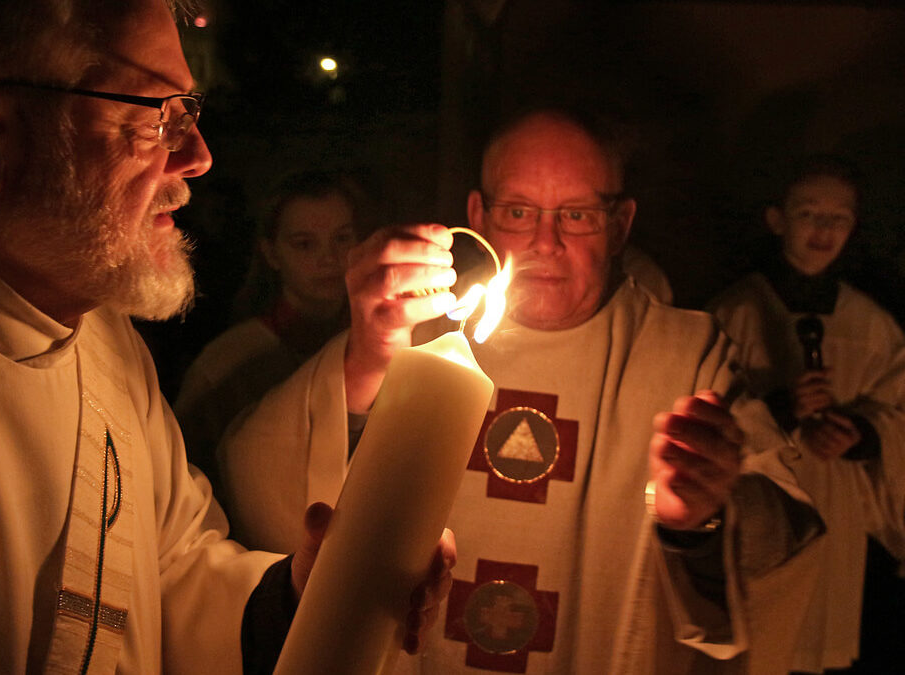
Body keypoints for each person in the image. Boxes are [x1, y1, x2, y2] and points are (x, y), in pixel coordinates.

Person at [0, 1, 453, 672]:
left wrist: (306, 589)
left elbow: (167, 572)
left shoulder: (94, 324)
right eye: (154, 116)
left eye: (189, 112)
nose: (198, 156)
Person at [220, 108, 826, 673]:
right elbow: (258, 477)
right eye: (519, 211)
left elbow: (789, 542)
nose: (545, 241)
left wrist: (702, 519)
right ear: (478, 216)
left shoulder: (684, 356)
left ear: (620, 225)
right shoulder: (409, 331)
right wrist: (362, 363)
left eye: (577, 214)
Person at [709, 156, 905, 673]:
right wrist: (781, 409)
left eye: (838, 218)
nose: (823, 230)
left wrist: (861, 434)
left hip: (837, 507)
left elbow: (897, 410)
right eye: (808, 214)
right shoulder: (736, 312)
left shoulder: (872, 324)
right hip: (764, 507)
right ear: (777, 219)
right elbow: (706, 410)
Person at [172, 170, 366, 499]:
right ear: (272, 252)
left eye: (342, 238)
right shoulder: (227, 364)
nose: (329, 258)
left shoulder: (381, 347)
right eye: (304, 244)